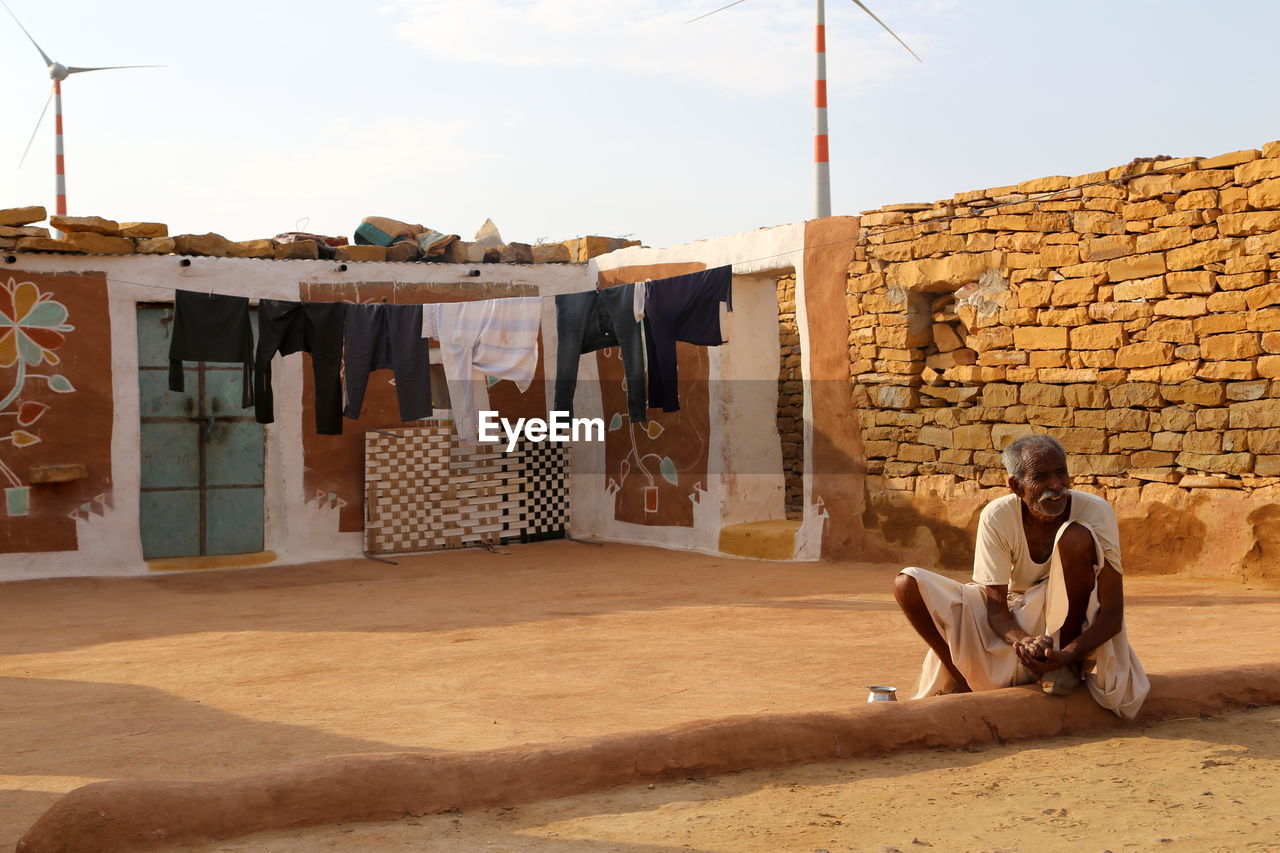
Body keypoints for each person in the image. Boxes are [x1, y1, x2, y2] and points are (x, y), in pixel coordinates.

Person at [893, 434, 1149, 719]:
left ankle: (1065, 669)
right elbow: (997, 611)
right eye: (1041, 476)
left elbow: (1113, 614)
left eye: (1061, 472)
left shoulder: (1095, 511)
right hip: (1014, 615)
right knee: (909, 583)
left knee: (1075, 536)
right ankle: (965, 683)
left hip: (1071, 623)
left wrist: (1066, 654)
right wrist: (1025, 641)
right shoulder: (997, 516)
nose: (1056, 485)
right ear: (1016, 486)